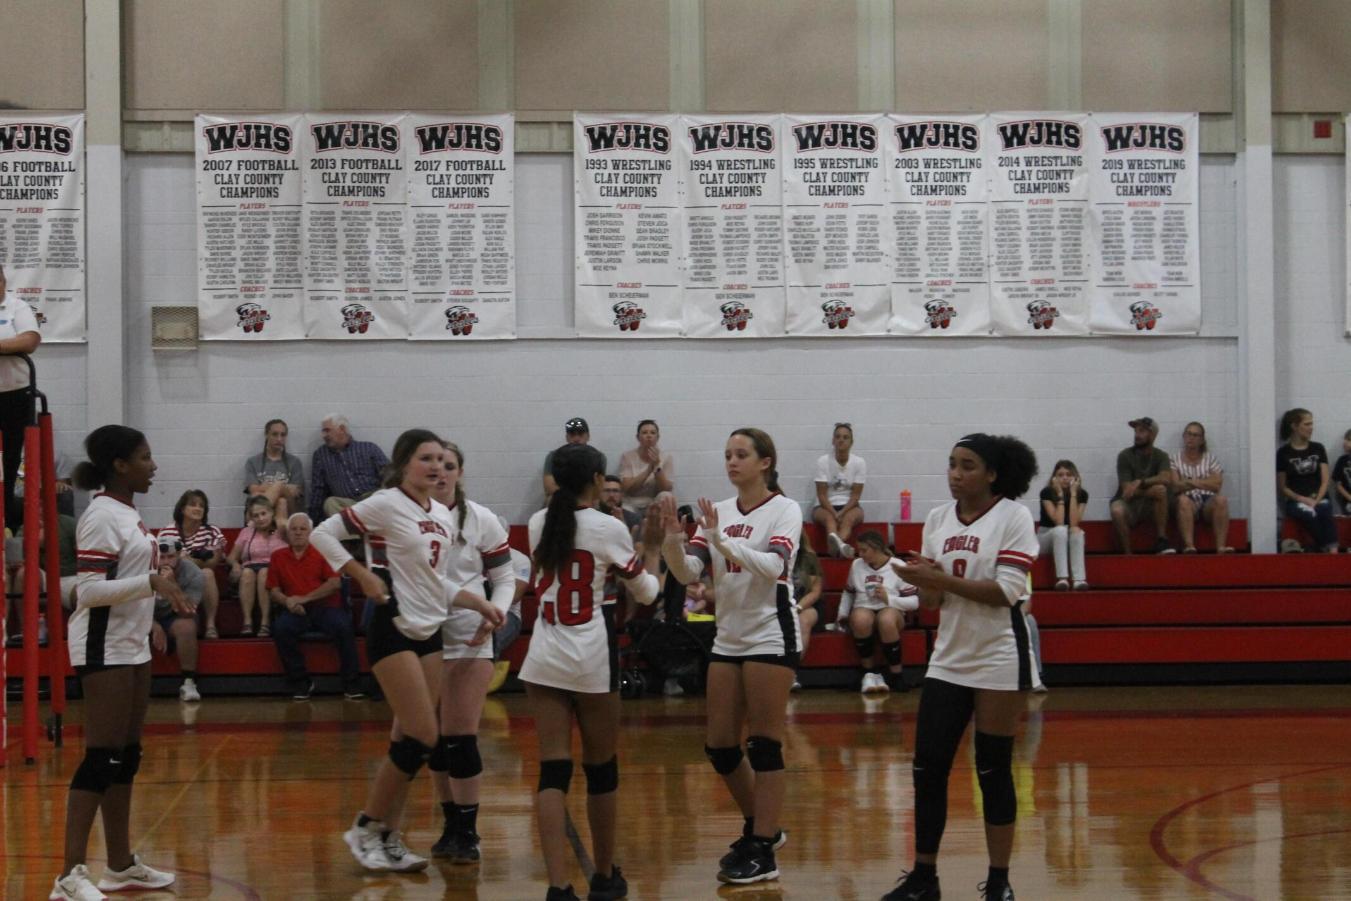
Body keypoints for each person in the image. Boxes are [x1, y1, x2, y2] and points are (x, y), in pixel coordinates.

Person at [310, 429, 502, 875]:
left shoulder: (441, 514)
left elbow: (435, 581)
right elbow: (323, 533)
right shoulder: (385, 502)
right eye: (425, 458)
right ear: (403, 464)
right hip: (392, 624)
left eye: (440, 459)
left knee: (408, 742)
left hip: (430, 629)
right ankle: (365, 827)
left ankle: (388, 837)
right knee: (422, 733)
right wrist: (361, 574)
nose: (435, 466)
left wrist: (477, 602)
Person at [884, 433, 1041, 901]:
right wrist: (921, 581)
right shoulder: (937, 519)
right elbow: (933, 602)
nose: (955, 474)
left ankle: (999, 881)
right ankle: (923, 878)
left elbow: (1007, 592)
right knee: (927, 768)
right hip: (948, 659)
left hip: (999, 655)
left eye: (967, 465)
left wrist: (941, 579)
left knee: (992, 769)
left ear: (992, 474)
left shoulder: (1014, 517)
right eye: (952, 464)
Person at [659, 428, 801, 886]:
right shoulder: (717, 511)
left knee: (764, 744)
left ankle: (762, 848)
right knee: (720, 747)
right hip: (729, 637)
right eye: (727, 455)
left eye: (741, 454)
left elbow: (775, 567)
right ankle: (765, 828)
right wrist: (671, 542)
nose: (732, 462)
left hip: (771, 633)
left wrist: (722, 542)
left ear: (765, 462)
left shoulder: (785, 510)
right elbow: (689, 571)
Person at [53, 425, 189, 901]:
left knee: (126, 756)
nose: (154, 466)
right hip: (102, 645)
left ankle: (119, 865)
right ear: (120, 465)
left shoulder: (128, 512)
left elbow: (128, 579)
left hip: (131, 643)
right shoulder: (101, 516)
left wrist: (150, 604)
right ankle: (69, 876)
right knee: (101, 756)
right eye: (145, 457)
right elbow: (88, 592)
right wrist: (151, 583)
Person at [524, 443, 660, 901]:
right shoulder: (609, 527)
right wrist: (653, 549)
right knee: (601, 770)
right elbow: (647, 593)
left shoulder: (539, 522)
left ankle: (558, 887)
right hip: (590, 659)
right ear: (598, 480)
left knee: (552, 771)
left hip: (543, 655)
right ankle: (603, 876)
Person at [425, 442, 518, 864]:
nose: (440, 471)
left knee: (460, 736)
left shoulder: (481, 518)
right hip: (423, 635)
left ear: (460, 472)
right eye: (433, 463)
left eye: (449, 465)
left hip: (469, 636)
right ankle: (449, 824)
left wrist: (494, 612)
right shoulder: (407, 518)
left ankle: (468, 830)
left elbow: (504, 578)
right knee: (433, 739)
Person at [268, 513, 362, 700]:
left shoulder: (323, 552)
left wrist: (304, 598)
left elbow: (335, 584)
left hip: (326, 608)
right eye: (294, 529)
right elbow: (273, 591)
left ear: (310, 532)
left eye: (303, 529)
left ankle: (351, 683)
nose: (298, 533)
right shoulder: (278, 556)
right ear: (287, 533)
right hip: (296, 610)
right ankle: (300, 682)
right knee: (281, 628)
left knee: (344, 627)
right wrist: (288, 601)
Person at [838, 530, 919, 694]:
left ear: (876, 549)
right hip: (863, 607)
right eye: (859, 550)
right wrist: (842, 615)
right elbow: (849, 592)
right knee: (860, 619)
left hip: (892, 610)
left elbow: (914, 602)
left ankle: (896, 675)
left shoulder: (898, 566)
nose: (860, 554)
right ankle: (868, 673)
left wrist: (889, 599)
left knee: (886, 620)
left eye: (864, 550)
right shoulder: (857, 565)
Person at [0, 261, 42, 530]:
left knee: (9, 461)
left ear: (3, 281)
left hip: (13, 397)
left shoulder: (17, 307)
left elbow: (29, 341)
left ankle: (5, 521)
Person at [159, 490, 224, 638]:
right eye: (193, 504)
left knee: (207, 573)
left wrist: (186, 560)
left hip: (199, 578)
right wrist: (196, 560)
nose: (198, 508)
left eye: (202, 506)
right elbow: (162, 562)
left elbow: (213, 563)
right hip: (175, 577)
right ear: (182, 509)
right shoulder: (168, 531)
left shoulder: (212, 531)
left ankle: (210, 625)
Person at [149, 536, 206, 702]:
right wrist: (154, 626)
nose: (166, 561)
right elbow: (133, 608)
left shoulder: (193, 572)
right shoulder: (144, 570)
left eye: (171, 557)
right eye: (162, 557)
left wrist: (173, 585)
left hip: (176, 615)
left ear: (179, 555)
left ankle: (189, 681)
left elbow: (188, 612)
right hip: (146, 616)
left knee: (186, 627)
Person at [1276, 408, 1341, 553]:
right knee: (1307, 514)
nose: (1311, 428)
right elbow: (1283, 487)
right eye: (1307, 424)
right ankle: (1326, 547)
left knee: (1324, 511)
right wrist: (1303, 499)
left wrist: (1316, 500)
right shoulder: (1283, 453)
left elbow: (1325, 480)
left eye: (1312, 424)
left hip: (1319, 496)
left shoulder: (1318, 448)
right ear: (1294, 426)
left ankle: (1334, 552)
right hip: (1296, 500)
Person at [1109, 417, 1175, 555]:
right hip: (1130, 503)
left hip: (1151, 506)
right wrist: (1148, 492)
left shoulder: (1161, 456)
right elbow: (1127, 490)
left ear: (1153, 434)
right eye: (1136, 431)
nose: (1137, 435)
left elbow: (1166, 478)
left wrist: (1141, 482)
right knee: (1116, 509)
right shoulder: (1125, 455)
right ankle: (1128, 554)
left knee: (1161, 489)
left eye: (1142, 431)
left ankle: (1161, 540)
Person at [308, 413, 389, 521]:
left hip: (372, 499)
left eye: (327, 430)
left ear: (342, 429)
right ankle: (356, 530)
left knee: (386, 493)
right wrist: (312, 520)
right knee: (330, 503)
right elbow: (318, 489)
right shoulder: (321, 455)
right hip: (347, 505)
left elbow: (389, 473)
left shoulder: (369, 448)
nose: (324, 435)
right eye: (323, 431)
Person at [226, 496, 288, 637]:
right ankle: (247, 622)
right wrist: (235, 564)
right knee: (247, 573)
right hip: (250, 569)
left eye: (263, 513)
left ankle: (265, 622)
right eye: (256, 515)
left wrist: (280, 521)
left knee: (264, 573)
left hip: (275, 572)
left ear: (271, 513)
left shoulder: (281, 530)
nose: (260, 518)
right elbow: (231, 557)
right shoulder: (246, 532)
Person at [1170, 422, 1233, 554]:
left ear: (1202, 440)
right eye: (1188, 434)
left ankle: (1221, 547)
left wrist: (1190, 481)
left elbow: (1217, 484)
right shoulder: (1174, 459)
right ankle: (1189, 546)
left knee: (1221, 500)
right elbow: (1175, 486)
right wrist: (1205, 481)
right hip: (1187, 500)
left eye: (1195, 435)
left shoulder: (1210, 459)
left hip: (1207, 500)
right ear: (1184, 436)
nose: (1191, 438)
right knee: (1182, 501)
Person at [813, 423, 866, 558]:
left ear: (851, 442)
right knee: (830, 519)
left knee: (848, 519)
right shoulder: (822, 461)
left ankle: (836, 548)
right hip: (824, 506)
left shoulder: (859, 462)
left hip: (850, 506)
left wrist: (842, 513)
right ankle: (842, 548)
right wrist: (834, 513)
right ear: (833, 440)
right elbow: (821, 495)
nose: (841, 440)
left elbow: (855, 496)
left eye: (845, 437)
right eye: (838, 437)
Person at [243, 418, 305, 525]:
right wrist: (280, 489)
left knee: (280, 489)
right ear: (266, 435)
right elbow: (253, 489)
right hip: (279, 504)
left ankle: (256, 518)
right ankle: (276, 533)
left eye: (283, 435)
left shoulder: (294, 462)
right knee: (281, 501)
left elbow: (294, 492)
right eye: (275, 434)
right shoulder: (253, 462)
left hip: (291, 508)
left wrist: (270, 487)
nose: (279, 438)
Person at [1038, 460, 1089, 589]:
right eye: (1060, 475)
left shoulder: (1082, 494)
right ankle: (1062, 579)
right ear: (1054, 478)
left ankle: (1079, 580)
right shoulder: (1047, 492)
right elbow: (1058, 521)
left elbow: (1074, 523)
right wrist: (1060, 495)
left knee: (1076, 530)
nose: (1065, 478)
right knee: (1060, 530)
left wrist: (1073, 495)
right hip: (1047, 537)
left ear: (1075, 477)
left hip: (1066, 538)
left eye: (1069, 474)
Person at [618, 419, 675, 514]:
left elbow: (666, 488)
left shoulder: (666, 458)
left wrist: (657, 467)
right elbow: (627, 488)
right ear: (638, 437)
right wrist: (649, 470)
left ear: (658, 437)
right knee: (625, 508)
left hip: (654, 501)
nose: (649, 436)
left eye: (653, 433)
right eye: (644, 433)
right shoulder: (627, 456)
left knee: (666, 496)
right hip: (632, 502)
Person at [790, 537, 822, 691]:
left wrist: (798, 607)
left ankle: (790, 671)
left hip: (806, 605)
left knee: (802, 621)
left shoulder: (808, 559)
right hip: (779, 604)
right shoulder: (770, 556)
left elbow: (815, 592)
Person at [542, 417, 591, 499]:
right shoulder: (554, 456)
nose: (576, 438)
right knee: (550, 499)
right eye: (572, 434)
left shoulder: (598, 458)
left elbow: (598, 488)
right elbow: (549, 487)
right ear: (567, 437)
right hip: (562, 499)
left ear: (588, 436)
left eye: (580, 434)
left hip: (587, 500)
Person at [600, 474, 642, 540]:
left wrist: (623, 525)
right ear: (599, 494)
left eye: (615, 491)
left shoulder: (634, 520)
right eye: (607, 491)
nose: (611, 495)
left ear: (621, 495)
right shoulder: (591, 517)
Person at [1334, 428, 1351, 514]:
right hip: (1348, 500)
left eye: (1349, 440)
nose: (1345, 442)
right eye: (1345, 439)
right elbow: (1338, 485)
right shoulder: (1342, 461)